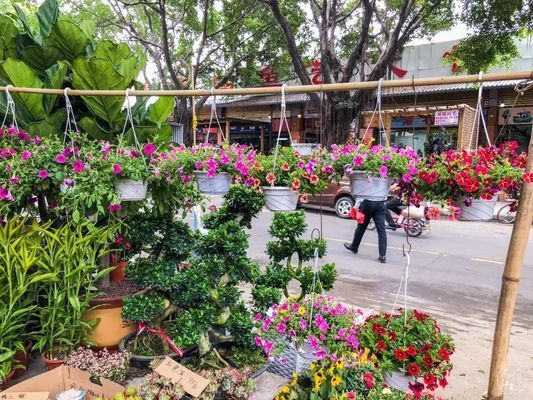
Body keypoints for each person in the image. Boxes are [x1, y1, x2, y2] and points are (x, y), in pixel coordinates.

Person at [344, 198, 388, 263]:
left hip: (368, 203)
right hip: (381, 203)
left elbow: (361, 194)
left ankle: (354, 247)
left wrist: (356, 206)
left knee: (361, 227)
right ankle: (382, 255)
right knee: (382, 231)